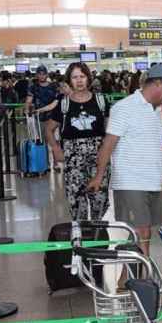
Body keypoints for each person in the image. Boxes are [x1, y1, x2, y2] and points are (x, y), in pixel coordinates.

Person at [87, 64, 162, 271]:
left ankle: (134, 278)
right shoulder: (125, 107)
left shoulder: (159, 111)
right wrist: (98, 176)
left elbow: (161, 144)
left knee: (145, 231)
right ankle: (143, 278)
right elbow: (109, 143)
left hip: (152, 180)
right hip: (130, 180)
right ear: (157, 83)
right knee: (138, 231)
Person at [46, 62, 110, 220]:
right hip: (73, 160)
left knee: (99, 201)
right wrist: (56, 149)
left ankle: (97, 237)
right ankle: (80, 236)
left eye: (82, 76)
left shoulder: (101, 101)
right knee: (76, 202)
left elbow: (110, 131)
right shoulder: (64, 104)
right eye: (75, 77)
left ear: (88, 78)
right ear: (69, 80)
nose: (79, 80)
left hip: (99, 159)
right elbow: (49, 129)